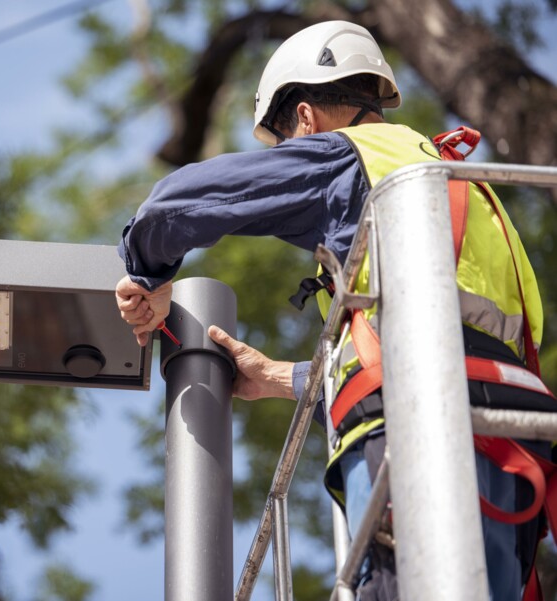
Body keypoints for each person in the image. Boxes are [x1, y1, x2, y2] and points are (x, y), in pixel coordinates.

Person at [114, 20, 553, 601]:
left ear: (305, 118)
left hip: (417, 433)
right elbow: (445, 345)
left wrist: (149, 273)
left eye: (287, 147)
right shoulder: (456, 184)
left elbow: (176, 204)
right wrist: (278, 378)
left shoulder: (345, 160)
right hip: (515, 444)